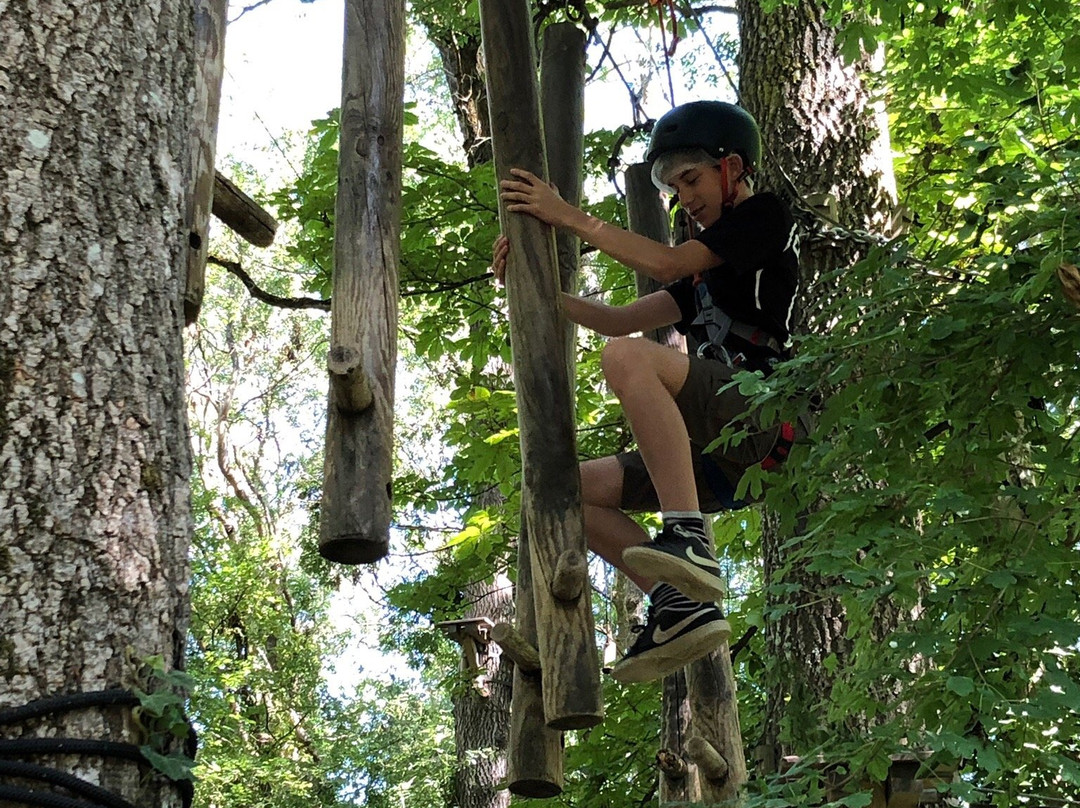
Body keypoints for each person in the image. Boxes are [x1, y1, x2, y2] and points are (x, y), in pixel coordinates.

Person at [492, 101, 802, 683]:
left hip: (767, 415)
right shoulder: (707, 277)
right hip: (724, 450)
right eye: (676, 188)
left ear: (732, 167)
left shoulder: (764, 216)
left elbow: (663, 264)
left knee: (628, 357)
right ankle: (679, 600)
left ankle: (686, 535)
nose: (685, 197)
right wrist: (527, 283)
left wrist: (570, 217)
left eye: (692, 179)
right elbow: (613, 318)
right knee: (561, 490)